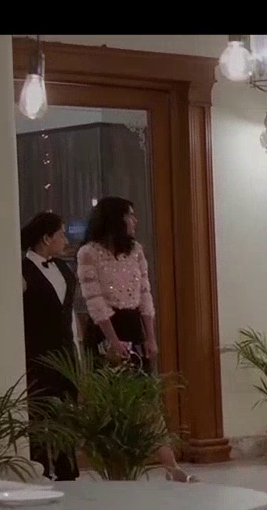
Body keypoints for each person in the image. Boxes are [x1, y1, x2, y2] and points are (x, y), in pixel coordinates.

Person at [76, 197, 192, 483]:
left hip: (133, 326)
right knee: (108, 405)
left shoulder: (136, 251)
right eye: (129, 215)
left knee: (145, 400)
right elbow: (94, 299)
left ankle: (172, 467)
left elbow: (145, 294)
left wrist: (150, 336)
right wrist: (113, 342)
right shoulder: (88, 253)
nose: (134, 221)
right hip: (105, 330)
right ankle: (114, 471)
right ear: (115, 219)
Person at [21, 211, 81, 481]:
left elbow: (68, 314)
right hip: (37, 355)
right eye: (61, 234)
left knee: (67, 415)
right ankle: (40, 471)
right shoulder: (23, 271)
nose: (65, 240)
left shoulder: (64, 269)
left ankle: (68, 472)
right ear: (46, 238)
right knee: (39, 415)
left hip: (65, 354)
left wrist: (75, 348)